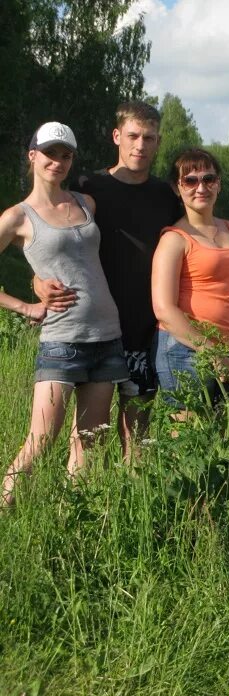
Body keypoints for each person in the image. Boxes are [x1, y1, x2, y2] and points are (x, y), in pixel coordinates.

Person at [35, 101, 181, 458]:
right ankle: (80, 509)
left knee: (138, 434)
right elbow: (51, 241)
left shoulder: (167, 196)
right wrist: (37, 282)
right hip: (91, 329)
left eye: (149, 138)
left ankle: (133, 509)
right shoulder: (89, 188)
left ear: (158, 142)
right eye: (133, 136)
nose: (140, 145)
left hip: (147, 329)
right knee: (86, 438)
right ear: (117, 136)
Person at [0, 122, 128, 506]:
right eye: (50, 153)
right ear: (32, 156)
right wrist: (26, 305)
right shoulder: (17, 217)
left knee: (89, 443)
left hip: (107, 338)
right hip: (61, 342)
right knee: (40, 442)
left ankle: (74, 527)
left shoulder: (85, 203)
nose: (57, 161)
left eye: (65, 155)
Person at [151, 148, 229, 413]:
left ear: (219, 184)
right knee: (190, 444)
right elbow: (164, 309)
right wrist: (211, 353)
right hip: (185, 351)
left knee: (226, 442)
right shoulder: (174, 239)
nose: (201, 187)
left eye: (208, 179)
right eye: (190, 180)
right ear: (177, 188)